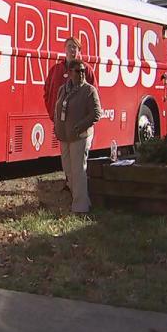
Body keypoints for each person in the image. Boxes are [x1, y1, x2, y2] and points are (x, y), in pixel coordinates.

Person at [53, 58, 102, 214]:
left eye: (83, 71)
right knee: (68, 170)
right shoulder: (63, 89)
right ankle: (81, 199)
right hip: (64, 136)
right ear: (69, 73)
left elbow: (96, 113)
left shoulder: (89, 90)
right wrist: (57, 127)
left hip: (80, 136)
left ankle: (80, 208)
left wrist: (80, 126)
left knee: (78, 170)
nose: (82, 74)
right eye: (78, 71)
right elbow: (58, 109)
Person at [44, 37, 95, 121]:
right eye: (69, 46)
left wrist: (85, 119)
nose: (71, 49)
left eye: (74, 47)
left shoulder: (86, 69)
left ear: (79, 51)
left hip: (78, 122)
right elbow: (47, 92)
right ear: (65, 49)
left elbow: (93, 95)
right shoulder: (55, 70)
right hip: (59, 121)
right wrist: (52, 113)